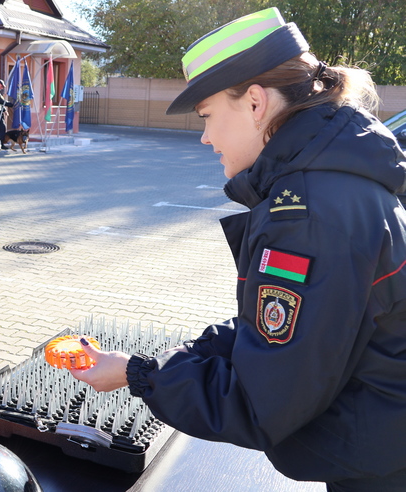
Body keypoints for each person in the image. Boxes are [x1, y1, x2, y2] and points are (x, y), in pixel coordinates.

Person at [69, 7, 406, 491]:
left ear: (254, 102)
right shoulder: (332, 182)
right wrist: (184, 355)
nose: (205, 137)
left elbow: (262, 402)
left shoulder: (308, 213)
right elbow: (281, 331)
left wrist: (139, 375)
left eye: (208, 115)